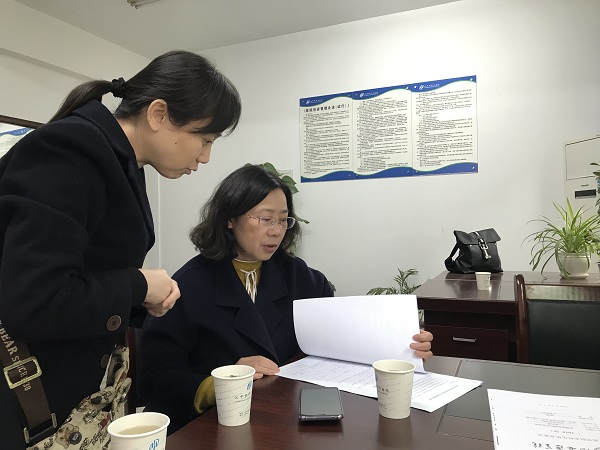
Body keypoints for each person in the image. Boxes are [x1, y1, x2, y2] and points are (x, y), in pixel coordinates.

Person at [0, 50, 241, 449]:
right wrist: (137, 285)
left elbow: (86, 271)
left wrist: (140, 299)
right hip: (29, 400)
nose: (205, 156)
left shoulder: (123, 162)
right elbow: (34, 300)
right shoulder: (70, 151)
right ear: (158, 114)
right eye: (204, 139)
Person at [138, 164, 433, 433]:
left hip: (289, 419)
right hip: (215, 427)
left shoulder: (301, 277)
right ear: (229, 219)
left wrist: (402, 344)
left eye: (283, 220)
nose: (276, 231)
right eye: (265, 219)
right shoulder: (187, 286)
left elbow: (342, 341)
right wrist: (222, 383)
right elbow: (154, 379)